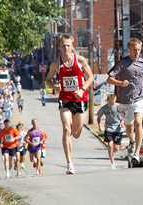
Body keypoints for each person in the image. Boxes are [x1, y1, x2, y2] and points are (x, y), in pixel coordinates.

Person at [46, 34, 94, 175]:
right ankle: (69, 163)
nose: (66, 48)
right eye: (63, 45)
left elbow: (90, 77)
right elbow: (48, 80)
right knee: (66, 129)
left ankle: (74, 127)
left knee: (76, 134)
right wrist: (54, 87)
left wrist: (82, 89)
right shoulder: (56, 64)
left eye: (68, 45)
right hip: (65, 99)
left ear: (73, 46)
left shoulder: (80, 60)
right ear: (59, 47)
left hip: (80, 100)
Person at [107, 38, 143, 165]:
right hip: (125, 100)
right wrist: (120, 83)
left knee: (139, 123)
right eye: (134, 50)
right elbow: (109, 79)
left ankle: (136, 153)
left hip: (140, 97)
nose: (137, 52)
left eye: (139, 50)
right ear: (129, 49)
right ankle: (132, 141)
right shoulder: (123, 64)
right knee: (129, 128)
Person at [97, 94, 125, 170]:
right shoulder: (104, 108)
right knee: (110, 145)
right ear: (108, 100)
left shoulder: (118, 107)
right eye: (110, 103)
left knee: (116, 148)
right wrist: (99, 125)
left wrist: (122, 122)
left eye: (113, 103)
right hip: (108, 128)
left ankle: (113, 151)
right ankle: (112, 163)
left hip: (118, 128)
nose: (112, 104)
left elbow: (124, 115)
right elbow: (99, 116)